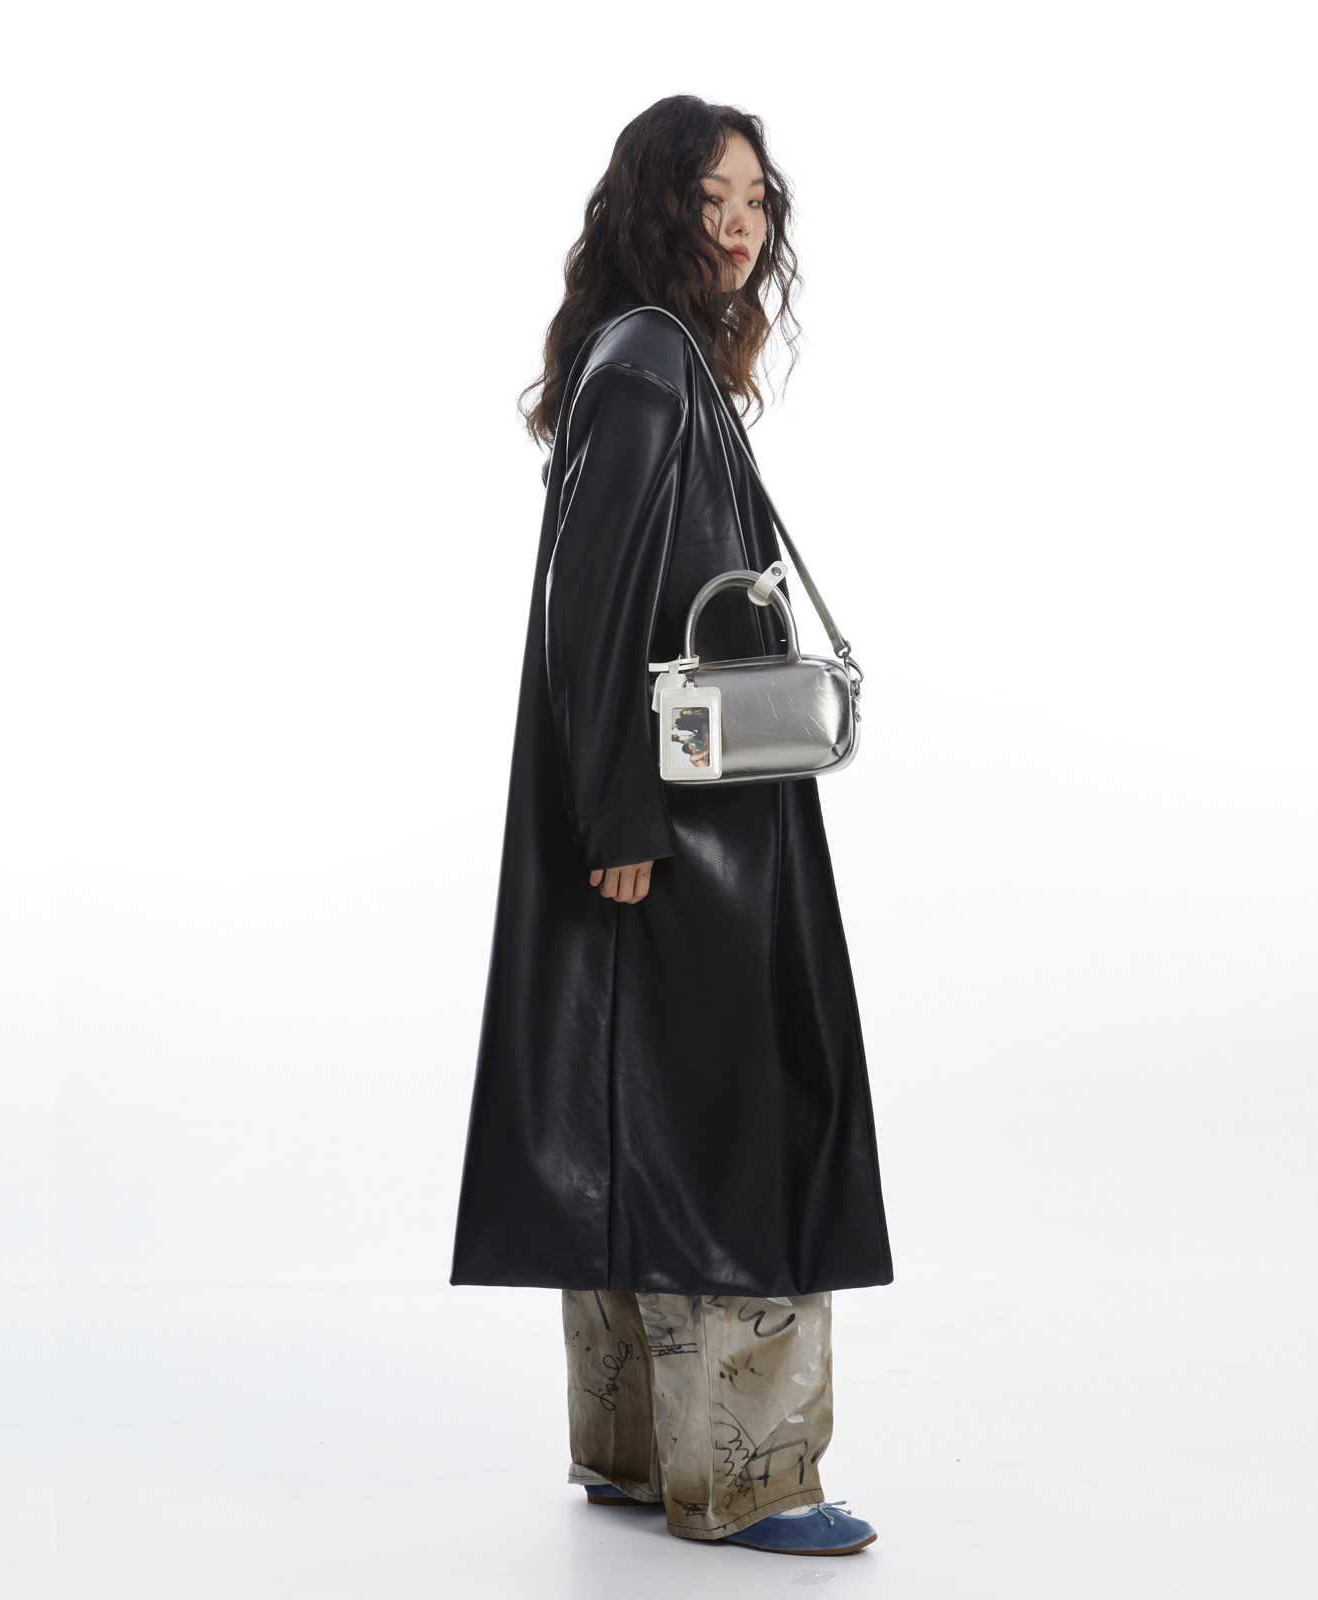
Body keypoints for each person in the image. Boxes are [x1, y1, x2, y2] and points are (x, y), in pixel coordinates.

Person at [449, 94, 892, 1558]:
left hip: (683, 814)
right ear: (653, 206)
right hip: (682, 830)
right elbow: (590, 613)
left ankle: (638, 1450)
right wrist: (624, 815)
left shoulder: (650, 358)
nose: (739, 224)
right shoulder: (649, 366)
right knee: (731, 1121)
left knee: (648, 1109)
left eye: (756, 199)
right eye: (710, 197)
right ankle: (749, 1477)